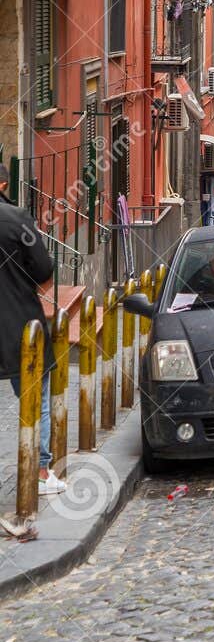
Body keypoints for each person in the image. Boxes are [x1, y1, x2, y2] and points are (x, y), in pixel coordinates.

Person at [0, 164, 66, 495]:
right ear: (2, 183)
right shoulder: (16, 218)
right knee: (34, 395)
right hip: (17, 325)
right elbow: (43, 270)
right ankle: (40, 471)